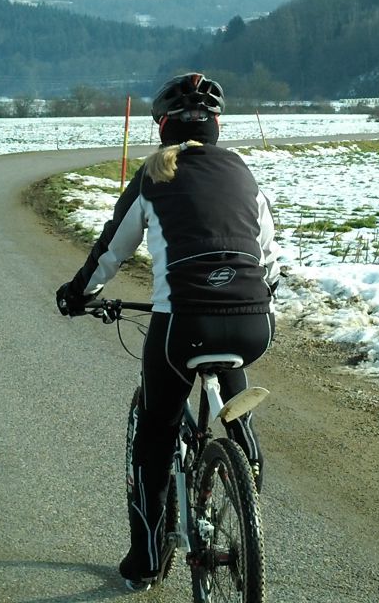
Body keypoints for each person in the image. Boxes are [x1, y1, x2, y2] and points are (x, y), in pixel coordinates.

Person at [55, 72, 281, 590]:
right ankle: (245, 459)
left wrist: (76, 294)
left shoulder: (152, 176)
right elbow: (269, 256)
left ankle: (148, 563)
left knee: (154, 437)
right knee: (231, 375)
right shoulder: (244, 172)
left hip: (183, 326)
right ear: (217, 126)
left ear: (162, 127)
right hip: (253, 322)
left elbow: (112, 250)